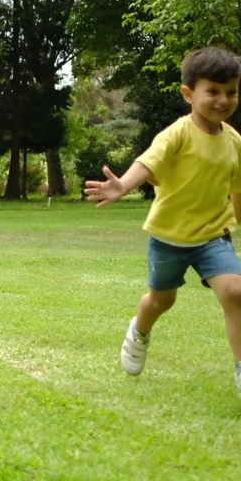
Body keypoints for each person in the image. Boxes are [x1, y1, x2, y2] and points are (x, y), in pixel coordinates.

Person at [85, 46, 241, 396]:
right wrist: (122, 185)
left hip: (214, 236)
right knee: (161, 300)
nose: (223, 100)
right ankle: (139, 331)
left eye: (231, 91)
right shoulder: (177, 134)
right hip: (169, 237)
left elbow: (237, 186)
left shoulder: (234, 142)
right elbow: (147, 163)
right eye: (212, 91)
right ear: (188, 94)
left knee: (235, 293)